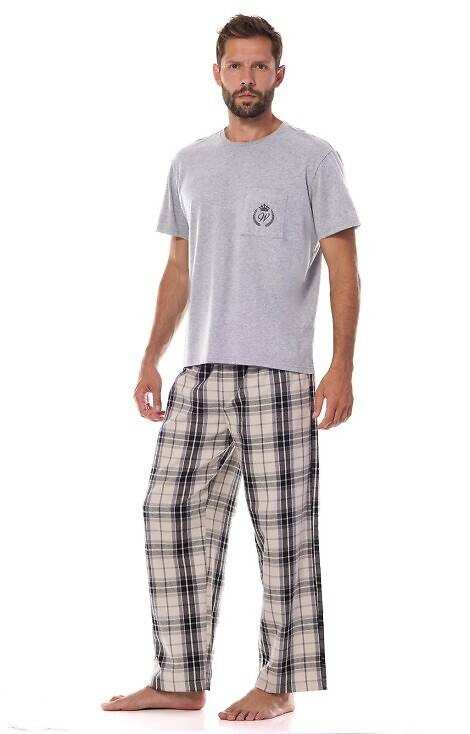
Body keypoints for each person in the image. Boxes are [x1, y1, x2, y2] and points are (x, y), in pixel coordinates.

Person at [101, 13, 361, 722]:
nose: (247, 78)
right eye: (236, 65)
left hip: (280, 374)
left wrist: (340, 366)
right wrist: (151, 358)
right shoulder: (189, 162)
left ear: (279, 74)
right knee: (168, 515)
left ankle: (278, 684)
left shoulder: (313, 158)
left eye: (259, 66)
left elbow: (344, 269)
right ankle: (179, 677)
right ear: (216, 73)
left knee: (284, 535)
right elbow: (178, 269)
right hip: (200, 372)